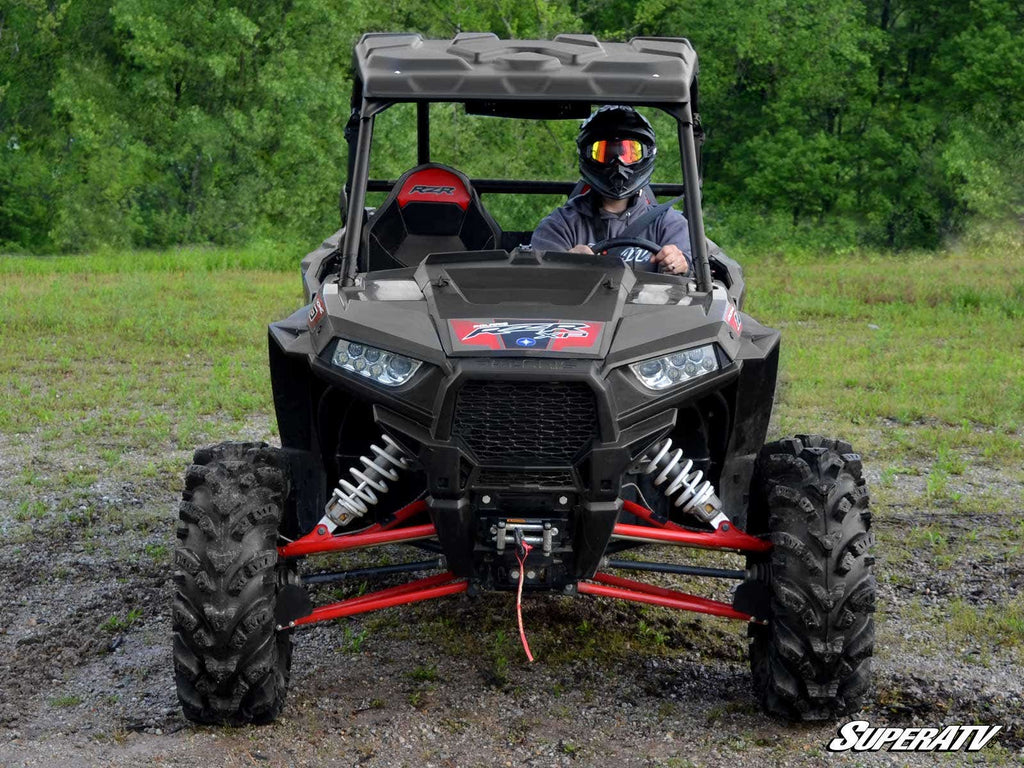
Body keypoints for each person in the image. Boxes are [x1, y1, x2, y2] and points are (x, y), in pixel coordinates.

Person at [531, 105, 691, 275]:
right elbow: (536, 281)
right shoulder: (561, 225)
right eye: (604, 153)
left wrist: (681, 263)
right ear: (587, 156)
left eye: (629, 153)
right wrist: (562, 263)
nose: (617, 163)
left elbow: (695, 274)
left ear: (646, 154)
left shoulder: (668, 224)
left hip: (649, 301)